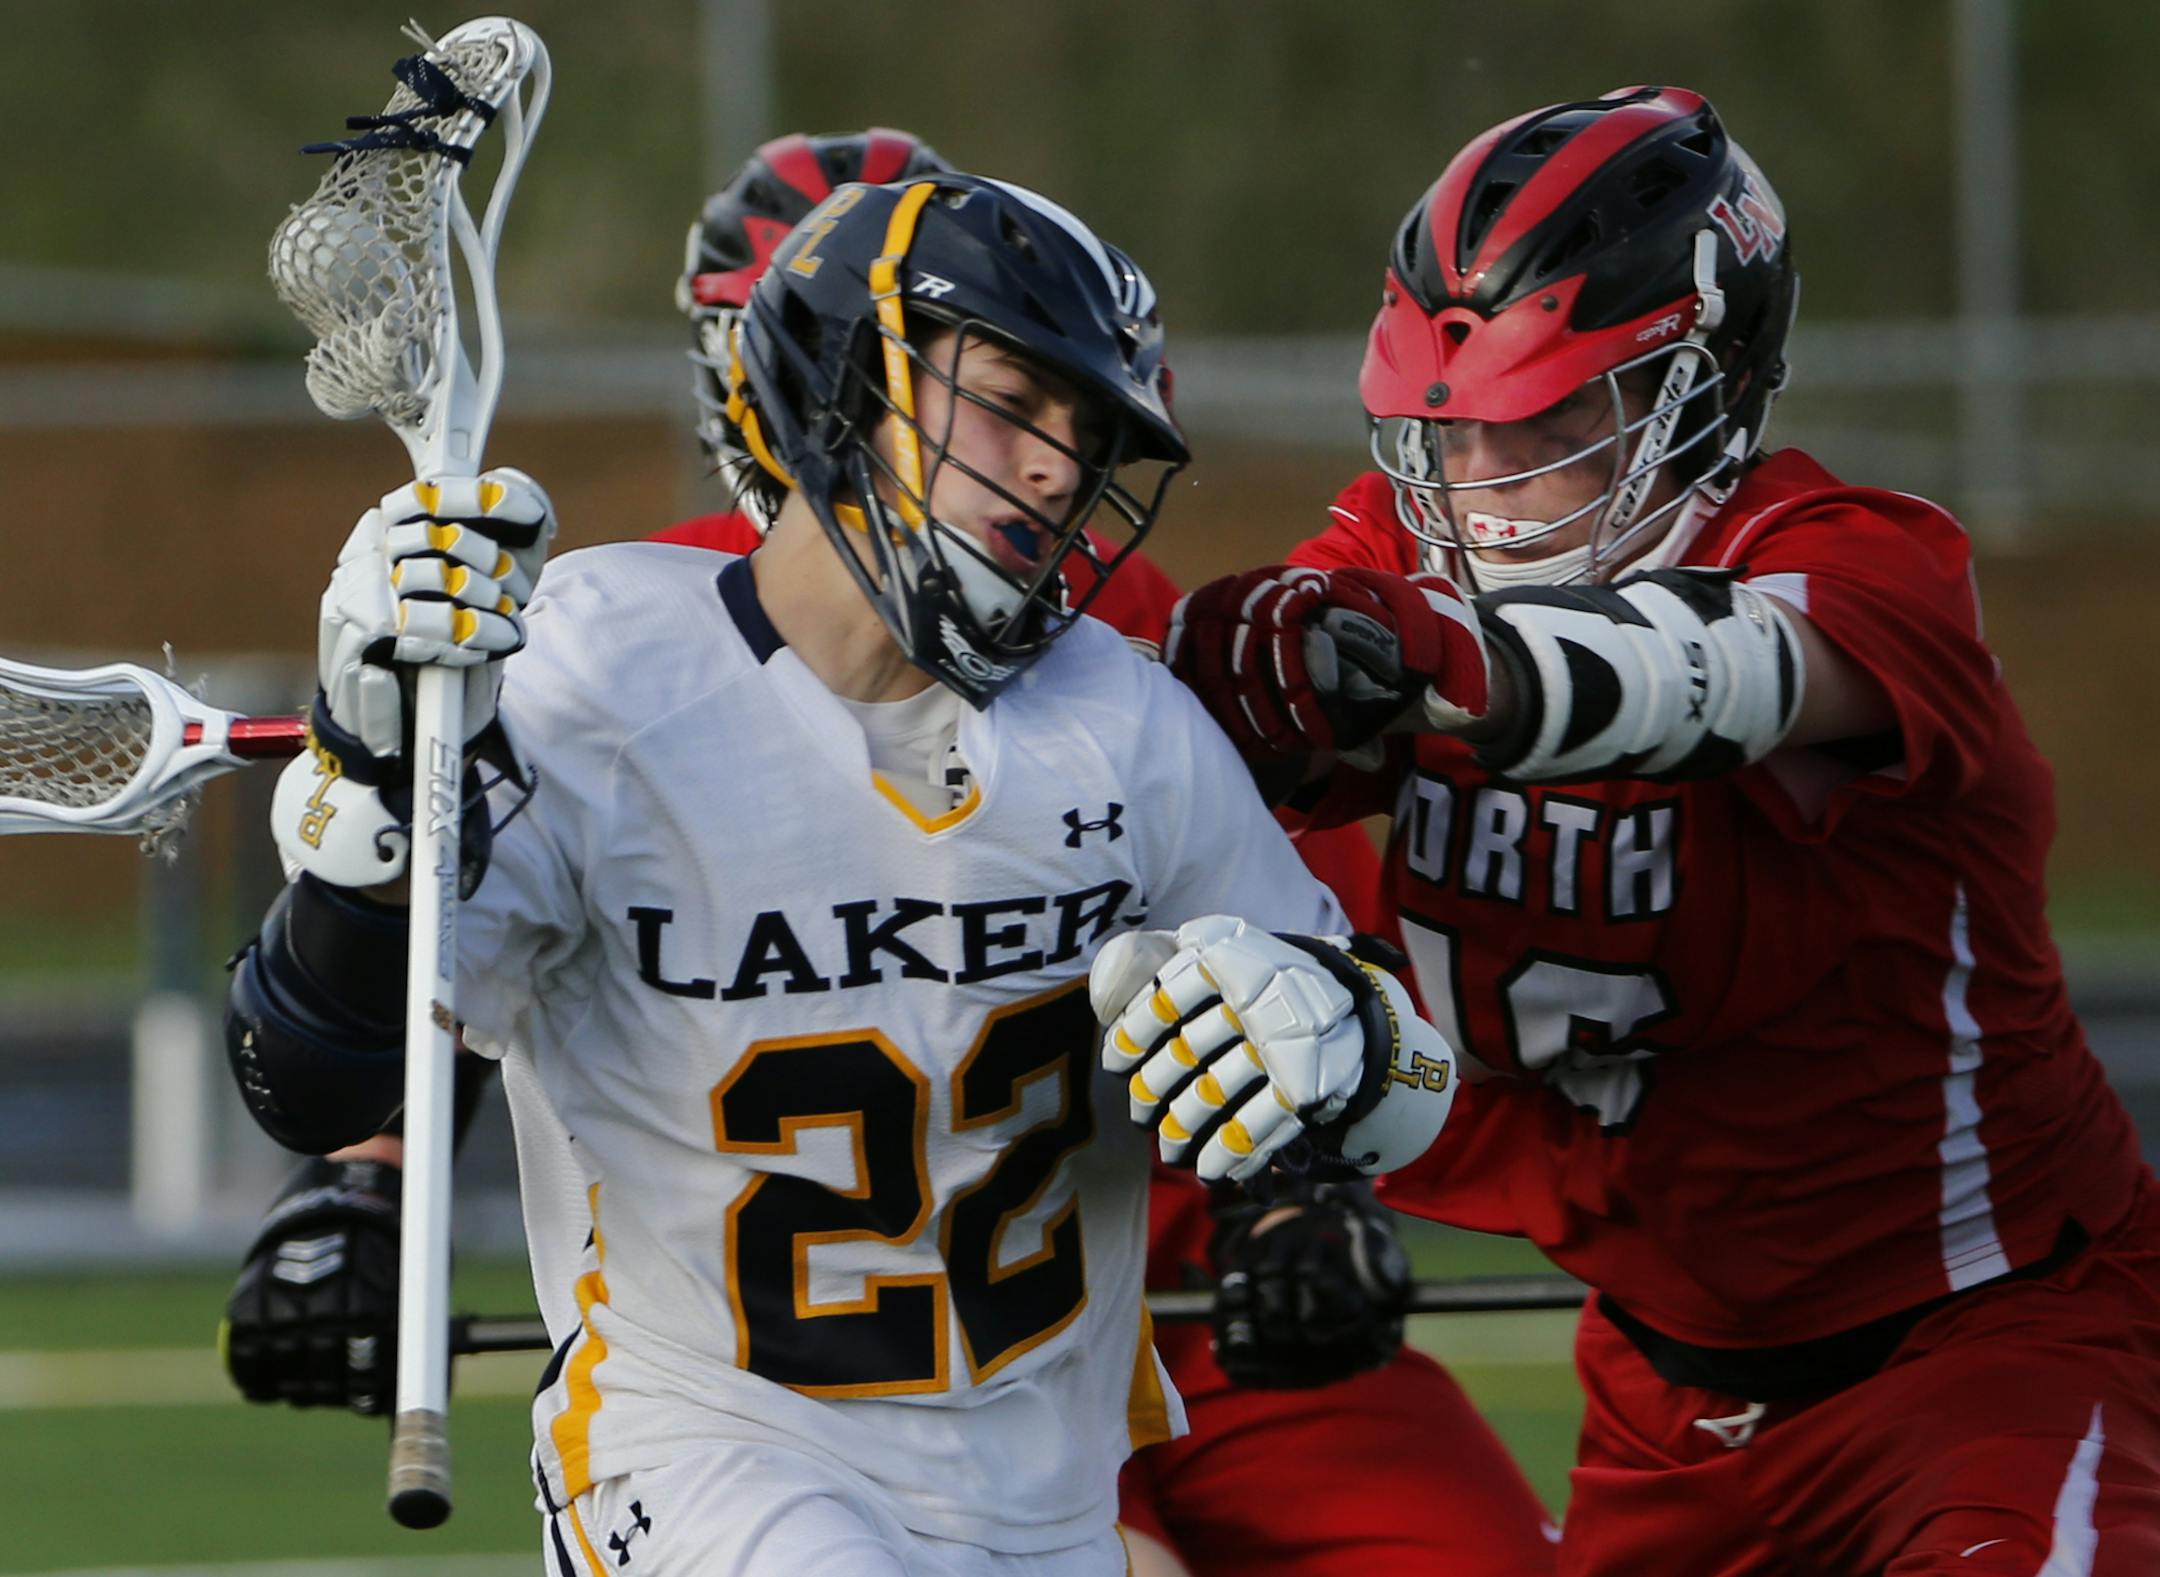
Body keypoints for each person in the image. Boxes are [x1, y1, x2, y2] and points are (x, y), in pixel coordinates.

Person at [226, 127, 1554, 1577]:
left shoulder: (1126, 724)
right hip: (707, 1450)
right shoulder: (588, 674)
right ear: (849, 378)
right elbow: (307, 1074)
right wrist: (371, 800)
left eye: (1085, 435)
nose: (1052, 471)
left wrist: (1340, 1055)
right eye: (1007, 404)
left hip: (1045, 1492)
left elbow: (1402, 1083)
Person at [1121, 86, 2160, 1573]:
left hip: (1982, 1352)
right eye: (1449, 432)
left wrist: (1436, 661)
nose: (1475, 495)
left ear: (1704, 386)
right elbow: (1211, 795)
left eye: (1541, 423)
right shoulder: (1394, 558)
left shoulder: (1868, 562)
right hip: (1662, 1396)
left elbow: (1728, 672)